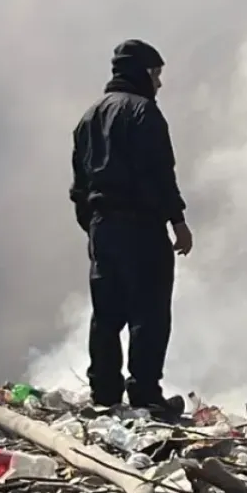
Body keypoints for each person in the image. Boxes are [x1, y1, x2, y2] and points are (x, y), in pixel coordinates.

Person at [69, 39, 193, 418]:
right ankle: (145, 393)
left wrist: (93, 228)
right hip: (142, 226)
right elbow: (160, 174)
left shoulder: (89, 117)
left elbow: (79, 184)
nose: (159, 83)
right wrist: (178, 221)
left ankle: (104, 391)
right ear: (141, 73)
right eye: (156, 74)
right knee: (150, 311)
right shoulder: (144, 114)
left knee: (107, 311)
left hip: (103, 226)